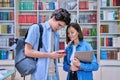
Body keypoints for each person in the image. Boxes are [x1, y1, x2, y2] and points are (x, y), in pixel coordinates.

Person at [24, 8, 71, 80]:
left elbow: (53, 54)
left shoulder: (56, 34)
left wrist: (58, 55)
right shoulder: (36, 28)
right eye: (59, 25)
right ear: (54, 18)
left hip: (54, 74)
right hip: (39, 75)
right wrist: (50, 55)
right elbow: (27, 52)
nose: (59, 28)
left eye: (62, 27)